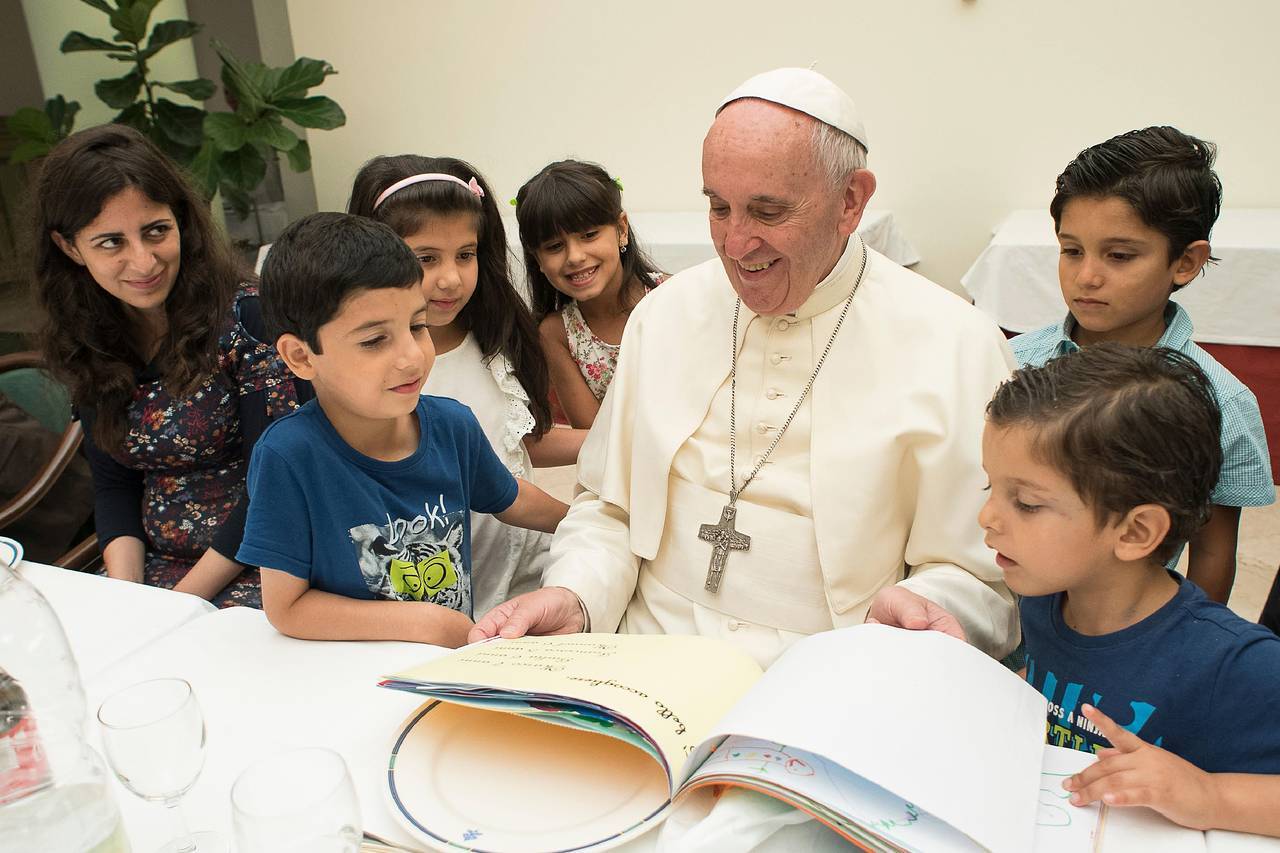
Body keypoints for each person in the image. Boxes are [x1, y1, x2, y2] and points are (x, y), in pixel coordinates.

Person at [471, 68, 1019, 666]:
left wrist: (923, 610)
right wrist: (576, 595)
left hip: (839, 667)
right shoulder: (666, 315)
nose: (734, 245)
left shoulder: (958, 345)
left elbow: (982, 574)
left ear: (851, 201)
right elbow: (608, 509)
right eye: (719, 207)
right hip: (646, 655)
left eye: (767, 211)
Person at [980, 343, 1280, 836]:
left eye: (1027, 503)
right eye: (988, 487)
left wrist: (1210, 795)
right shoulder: (1043, 597)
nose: (987, 517)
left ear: (1135, 532)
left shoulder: (1233, 663)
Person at [237, 213, 567, 646]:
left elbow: (510, 498)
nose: (412, 357)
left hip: (450, 662)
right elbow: (287, 607)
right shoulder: (288, 456)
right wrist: (425, 623)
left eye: (417, 326)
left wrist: (597, 523)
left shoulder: (452, 424)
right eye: (375, 341)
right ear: (300, 356)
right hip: (355, 674)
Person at [31, 124, 307, 607]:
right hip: (150, 573)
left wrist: (175, 605)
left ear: (181, 221)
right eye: (111, 242)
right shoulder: (85, 336)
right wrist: (128, 598)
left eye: (156, 231)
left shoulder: (250, 319)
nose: (144, 261)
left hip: (264, 566)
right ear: (70, 247)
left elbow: (276, 483)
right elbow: (114, 485)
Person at [1010, 127, 1274, 603]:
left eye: (1119, 256)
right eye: (1072, 251)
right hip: (997, 618)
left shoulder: (1221, 402)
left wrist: (1176, 653)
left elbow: (1213, 553)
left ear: (1186, 263)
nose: (1086, 276)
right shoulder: (1013, 362)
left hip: (1119, 638)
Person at [348, 155, 584, 614]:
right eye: (425, 259)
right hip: (441, 597)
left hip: (531, 571)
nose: (451, 278)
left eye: (466, 255)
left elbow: (510, 442)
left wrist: (606, 442)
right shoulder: (378, 377)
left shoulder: (493, 338)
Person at [515, 160, 666, 429]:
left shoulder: (670, 296)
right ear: (536, 257)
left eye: (589, 235)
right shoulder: (557, 334)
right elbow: (592, 435)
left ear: (621, 228)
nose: (575, 257)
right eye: (554, 246)